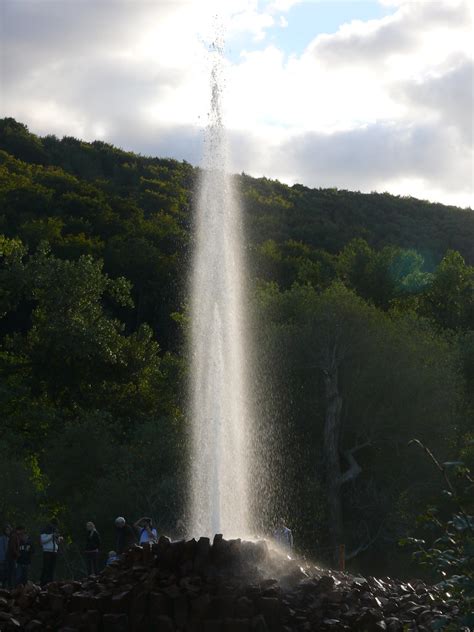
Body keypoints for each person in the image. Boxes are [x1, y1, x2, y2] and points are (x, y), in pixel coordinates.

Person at [40, 518, 62, 586]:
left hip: (54, 551)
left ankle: (50, 582)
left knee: (52, 568)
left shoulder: (55, 530)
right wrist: (52, 536)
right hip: (47, 551)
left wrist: (59, 539)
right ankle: (43, 583)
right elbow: (43, 541)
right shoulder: (45, 530)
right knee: (46, 568)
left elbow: (57, 542)